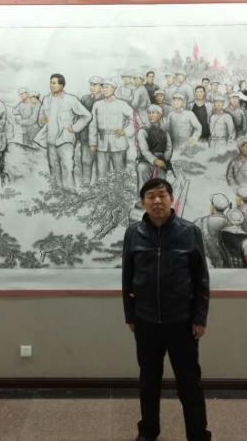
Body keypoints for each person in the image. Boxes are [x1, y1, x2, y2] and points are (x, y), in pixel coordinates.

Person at [122, 178, 211, 441]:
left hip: (182, 322)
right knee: (148, 382)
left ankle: (198, 434)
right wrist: (130, 315)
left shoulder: (189, 231)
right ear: (143, 202)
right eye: (151, 196)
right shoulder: (133, 233)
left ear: (172, 199)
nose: (157, 201)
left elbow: (201, 279)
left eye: (162, 195)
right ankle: (148, 431)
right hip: (146, 320)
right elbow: (127, 277)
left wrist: (200, 317)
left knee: (189, 383)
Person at [36, 73, 92, 189]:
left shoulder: (71, 99)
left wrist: (75, 128)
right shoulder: (46, 100)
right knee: (53, 168)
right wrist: (42, 120)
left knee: (68, 168)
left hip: (65, 140)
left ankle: (70, 193)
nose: (51, 85)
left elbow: (87, 116)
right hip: (51, 141)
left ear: (61, 85)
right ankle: (56, 193)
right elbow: (41, 119)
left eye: (54, 83)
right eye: (50, 83)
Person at [89, 79, 134, 177]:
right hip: (101, 144)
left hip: (119, 142)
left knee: (120, 174)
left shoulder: (122, 104)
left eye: (107, 87)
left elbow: (134, 119)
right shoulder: (97, 105)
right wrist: (92, 143)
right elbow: (93, 125)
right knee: (102, 175)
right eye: (103, 88)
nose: (104, 90)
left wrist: (125, 131)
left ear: (113, 89)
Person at [135, 105, 173, 190]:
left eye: (153, 113)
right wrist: (155, 160)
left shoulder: (165, 132)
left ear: (159, 115)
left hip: (162, 162)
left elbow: (169, 148)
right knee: (142, 169)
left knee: (163, 185)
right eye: (149, 113)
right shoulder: (143, 131)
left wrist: (165, 160)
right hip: (146, 162)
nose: (150, 115)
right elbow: (144, 151)